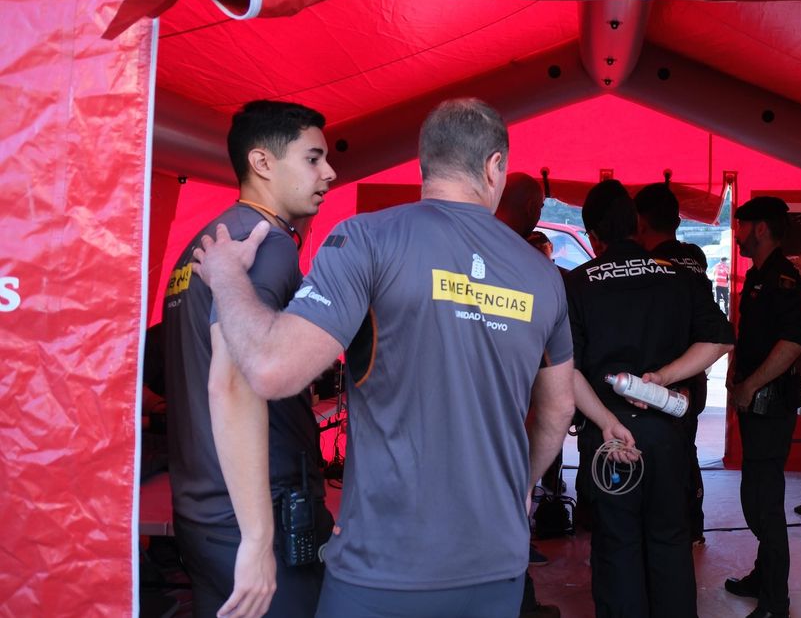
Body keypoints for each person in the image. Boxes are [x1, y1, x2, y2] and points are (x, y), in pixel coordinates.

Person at [190, 98, 577, 617]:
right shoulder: (543, 275)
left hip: (383, 574)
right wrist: (520, 488)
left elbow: (269, 368)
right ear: (493, 166)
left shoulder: (368, 239)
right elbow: (558, 412)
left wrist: (228, 277)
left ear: (425, 164)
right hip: (495, 569)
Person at [161, 100, 336, 618]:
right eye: (313, 158)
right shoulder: (264, 245)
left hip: (203, 509)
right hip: (259, 513)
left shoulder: (205, 243)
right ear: (262, 163)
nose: (329, 172)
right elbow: (232, 384)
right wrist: (259, 540)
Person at [566, 180, 733, 618]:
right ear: (637, 227)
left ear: (592, 236)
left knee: (617, 547)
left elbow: (568, 370)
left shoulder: (579, 284)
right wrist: (662, 377)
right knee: (670, 543)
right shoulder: (678, 276)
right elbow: (720, 339)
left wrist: (604, 421)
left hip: (609, 439)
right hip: (666, 432)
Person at [724, 196, 801, 618]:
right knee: (753, 497)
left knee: (766, 504)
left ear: (759, 229)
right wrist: (736, 370)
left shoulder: (783, 278)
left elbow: (794, 342)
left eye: (741, 225)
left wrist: (750, 384)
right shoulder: (758, 276)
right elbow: (754, 337)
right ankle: (763, 575)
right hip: (753, 403)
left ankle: (776, 600)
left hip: (771, 406)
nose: (737, 234)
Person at [633, 182, 717, 545]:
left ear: (640, 221)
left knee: (657, 452)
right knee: (687, 449)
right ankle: (692, 526)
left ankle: (664, 528)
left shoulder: (647, 264)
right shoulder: (695, 257)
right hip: (695, 375)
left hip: (660, 377)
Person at [494, 172, 561, 618]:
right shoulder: (531, 266)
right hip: (504, 424)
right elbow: (558, 403)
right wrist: (530, 478)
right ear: (532, 208)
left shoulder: (456, 245)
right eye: (538, 208)